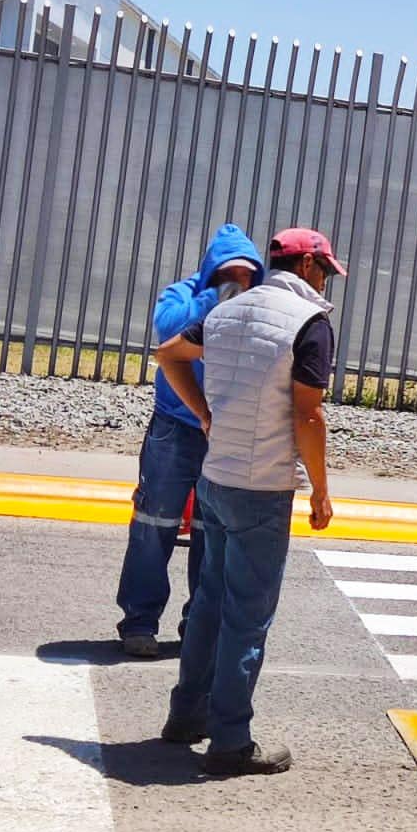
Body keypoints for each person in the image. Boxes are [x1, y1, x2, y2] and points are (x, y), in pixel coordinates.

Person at [154, 227, 345, 776]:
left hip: (214, 478)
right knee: (246, 616)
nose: (328, 278)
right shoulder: (309, 324)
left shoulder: (228, 312)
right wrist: (322, 492)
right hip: (262, 487)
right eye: (326, 269)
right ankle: (231, 742)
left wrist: (206, 416)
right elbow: (308, 415)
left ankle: (186, 715)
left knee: (211, 601)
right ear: (308, 267)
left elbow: (169, 355)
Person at [115, 224, 264, 658]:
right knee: (154, 523)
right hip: (176, 427)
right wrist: (212, 297)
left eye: (246, 275)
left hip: (225, 432)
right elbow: (170, 334)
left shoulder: (257, 304)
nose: (238, 282)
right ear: (211, 270)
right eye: (228, 273)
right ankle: (139, 621)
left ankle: (196, 626)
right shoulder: (182, 295)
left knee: (211, 532)